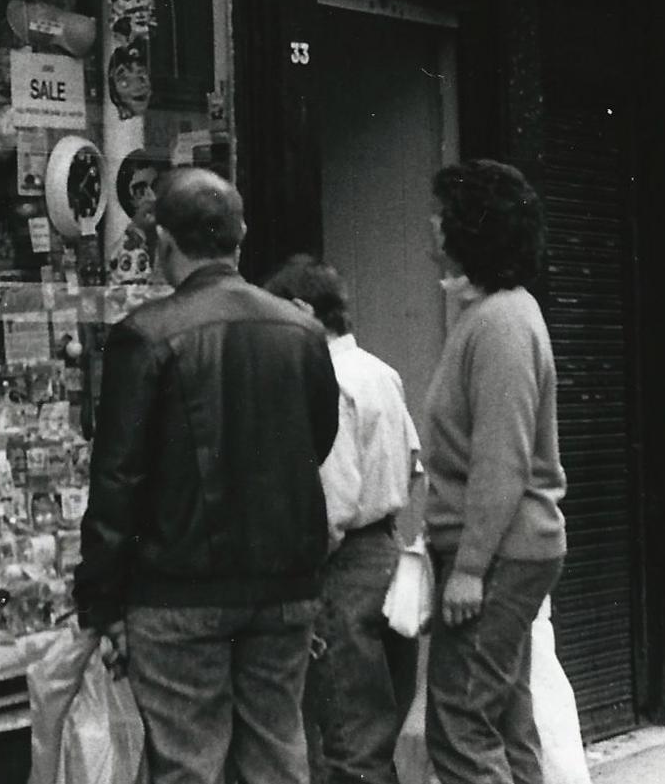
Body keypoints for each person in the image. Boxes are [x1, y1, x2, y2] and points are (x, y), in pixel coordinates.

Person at [74, 168, 340, 784]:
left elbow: (117, 480)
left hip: (178, 589)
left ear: (164, 241)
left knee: (188, 766)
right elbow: (318, 441)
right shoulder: (302, 332)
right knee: (277, 753)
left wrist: (101, 602)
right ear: (238, 241)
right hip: (284, 584)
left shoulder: (145, 334)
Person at [423, 159, 567, 784]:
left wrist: (471, 568)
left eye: (443, 214)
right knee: (505, 718)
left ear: (467, 229)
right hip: (506, 549)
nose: (432, 225)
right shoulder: (497, 315)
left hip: (496, 554)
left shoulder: (501, 322)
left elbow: (502, 460)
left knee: (459, 726)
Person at [266, 255, 424, 784]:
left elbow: (330, 502)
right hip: (388, 551)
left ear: (304, 311)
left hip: (342, 565)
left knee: (348, 741)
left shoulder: (321, 378)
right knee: (376, 732)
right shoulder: (382, 372)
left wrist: (302, 569)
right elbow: (413, 462)